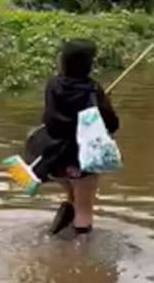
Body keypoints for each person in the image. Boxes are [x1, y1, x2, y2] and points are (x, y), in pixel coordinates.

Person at [26, 39, 119, 237]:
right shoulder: (92, 89)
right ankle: (80, 253)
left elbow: (52, 116)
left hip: (52, 156)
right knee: (85, 207)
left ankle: (63, 227)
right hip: (81, 158)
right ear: (88, 64)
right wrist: (103, 103)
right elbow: (111, 124)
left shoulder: (53, 84)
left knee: (73, 195)